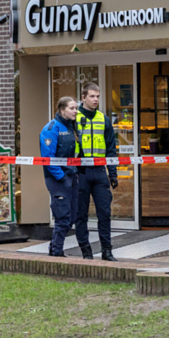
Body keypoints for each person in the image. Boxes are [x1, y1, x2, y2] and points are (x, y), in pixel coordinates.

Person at [75, 83, 118, 261]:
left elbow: (111, 148)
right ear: (83, 97)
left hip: (99, 171)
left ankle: (107, 250)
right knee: (81, 214)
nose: (95, 100)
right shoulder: (74, 118)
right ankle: (86, 251)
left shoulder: (104, 119)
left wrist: (113, 173)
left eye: (98, 96)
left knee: (104, 213)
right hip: (81, 172)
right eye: (92, 96)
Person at [39, 96, 81, 257]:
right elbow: (48, 158)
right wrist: (61, 177)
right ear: (62, 110)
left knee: (72, 215)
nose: (75, 111)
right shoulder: (51, 128)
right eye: (72, 108)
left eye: (76, 108)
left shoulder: (71, 127)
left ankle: (54, 247)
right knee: (62, 216)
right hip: (58, 178)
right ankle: (57, 252)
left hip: (71, 175)